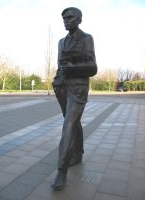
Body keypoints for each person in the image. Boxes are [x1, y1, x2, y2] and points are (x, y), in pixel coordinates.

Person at [51, 7, 98, 190]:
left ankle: (61, 171)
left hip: (78, 88)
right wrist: (57, 81)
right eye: (64, 18)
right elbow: (60, 65)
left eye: (70, 17)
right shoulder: (61, 42)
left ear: (79, 19)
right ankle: (78, 153)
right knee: (73, 120)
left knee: (69, 124)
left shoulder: (86, 38)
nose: (66, 20)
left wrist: (73, 68)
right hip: (62, 87)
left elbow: (93, 68)